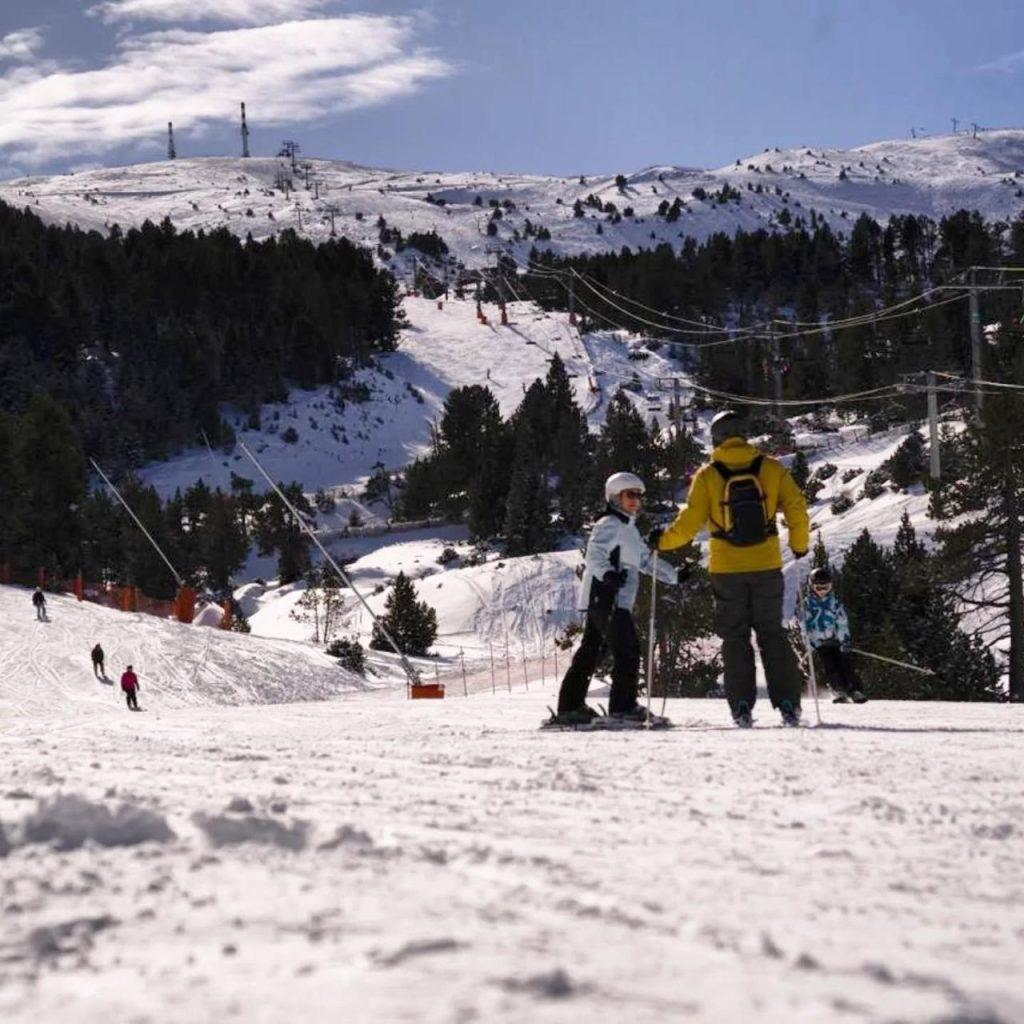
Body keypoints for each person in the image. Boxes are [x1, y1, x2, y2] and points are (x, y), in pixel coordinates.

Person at [654, 410, 809, 727]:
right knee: (772, 634)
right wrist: (799, 544)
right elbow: (796, 507)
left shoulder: (708, 475)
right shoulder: (771, 468)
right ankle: (789, 706)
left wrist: (662, 542)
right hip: (766, 564)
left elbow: (690, 522)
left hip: (726, 569)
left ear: (717, 438)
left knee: (735, 638)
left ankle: (741, 707)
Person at [552, 472, 680, 726]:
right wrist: (608, 574)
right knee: (627, 649)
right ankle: (623, 707)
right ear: (614, 497)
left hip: (609, 598)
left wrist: (676, 576)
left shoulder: (627, 528)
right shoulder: (609, 523)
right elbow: (595, 555)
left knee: (592, 651)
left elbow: (644, 560)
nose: (636, 501)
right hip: (608, 595)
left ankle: (570, 706)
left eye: (639, 496)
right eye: (630, 495)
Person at [804, 567, 867, 704]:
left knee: (845, 664)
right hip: (821, 642)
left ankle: (854, 690)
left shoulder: (834, 603)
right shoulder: (808, 605)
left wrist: (844, 639)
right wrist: (812, 641)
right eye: (818, 588)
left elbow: (842, 621)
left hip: (836, 641)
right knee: (830, 667)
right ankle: (839, 690)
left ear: (831, 587)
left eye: (825, 588)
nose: (822, 592)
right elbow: (806, 625)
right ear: (812, 587)